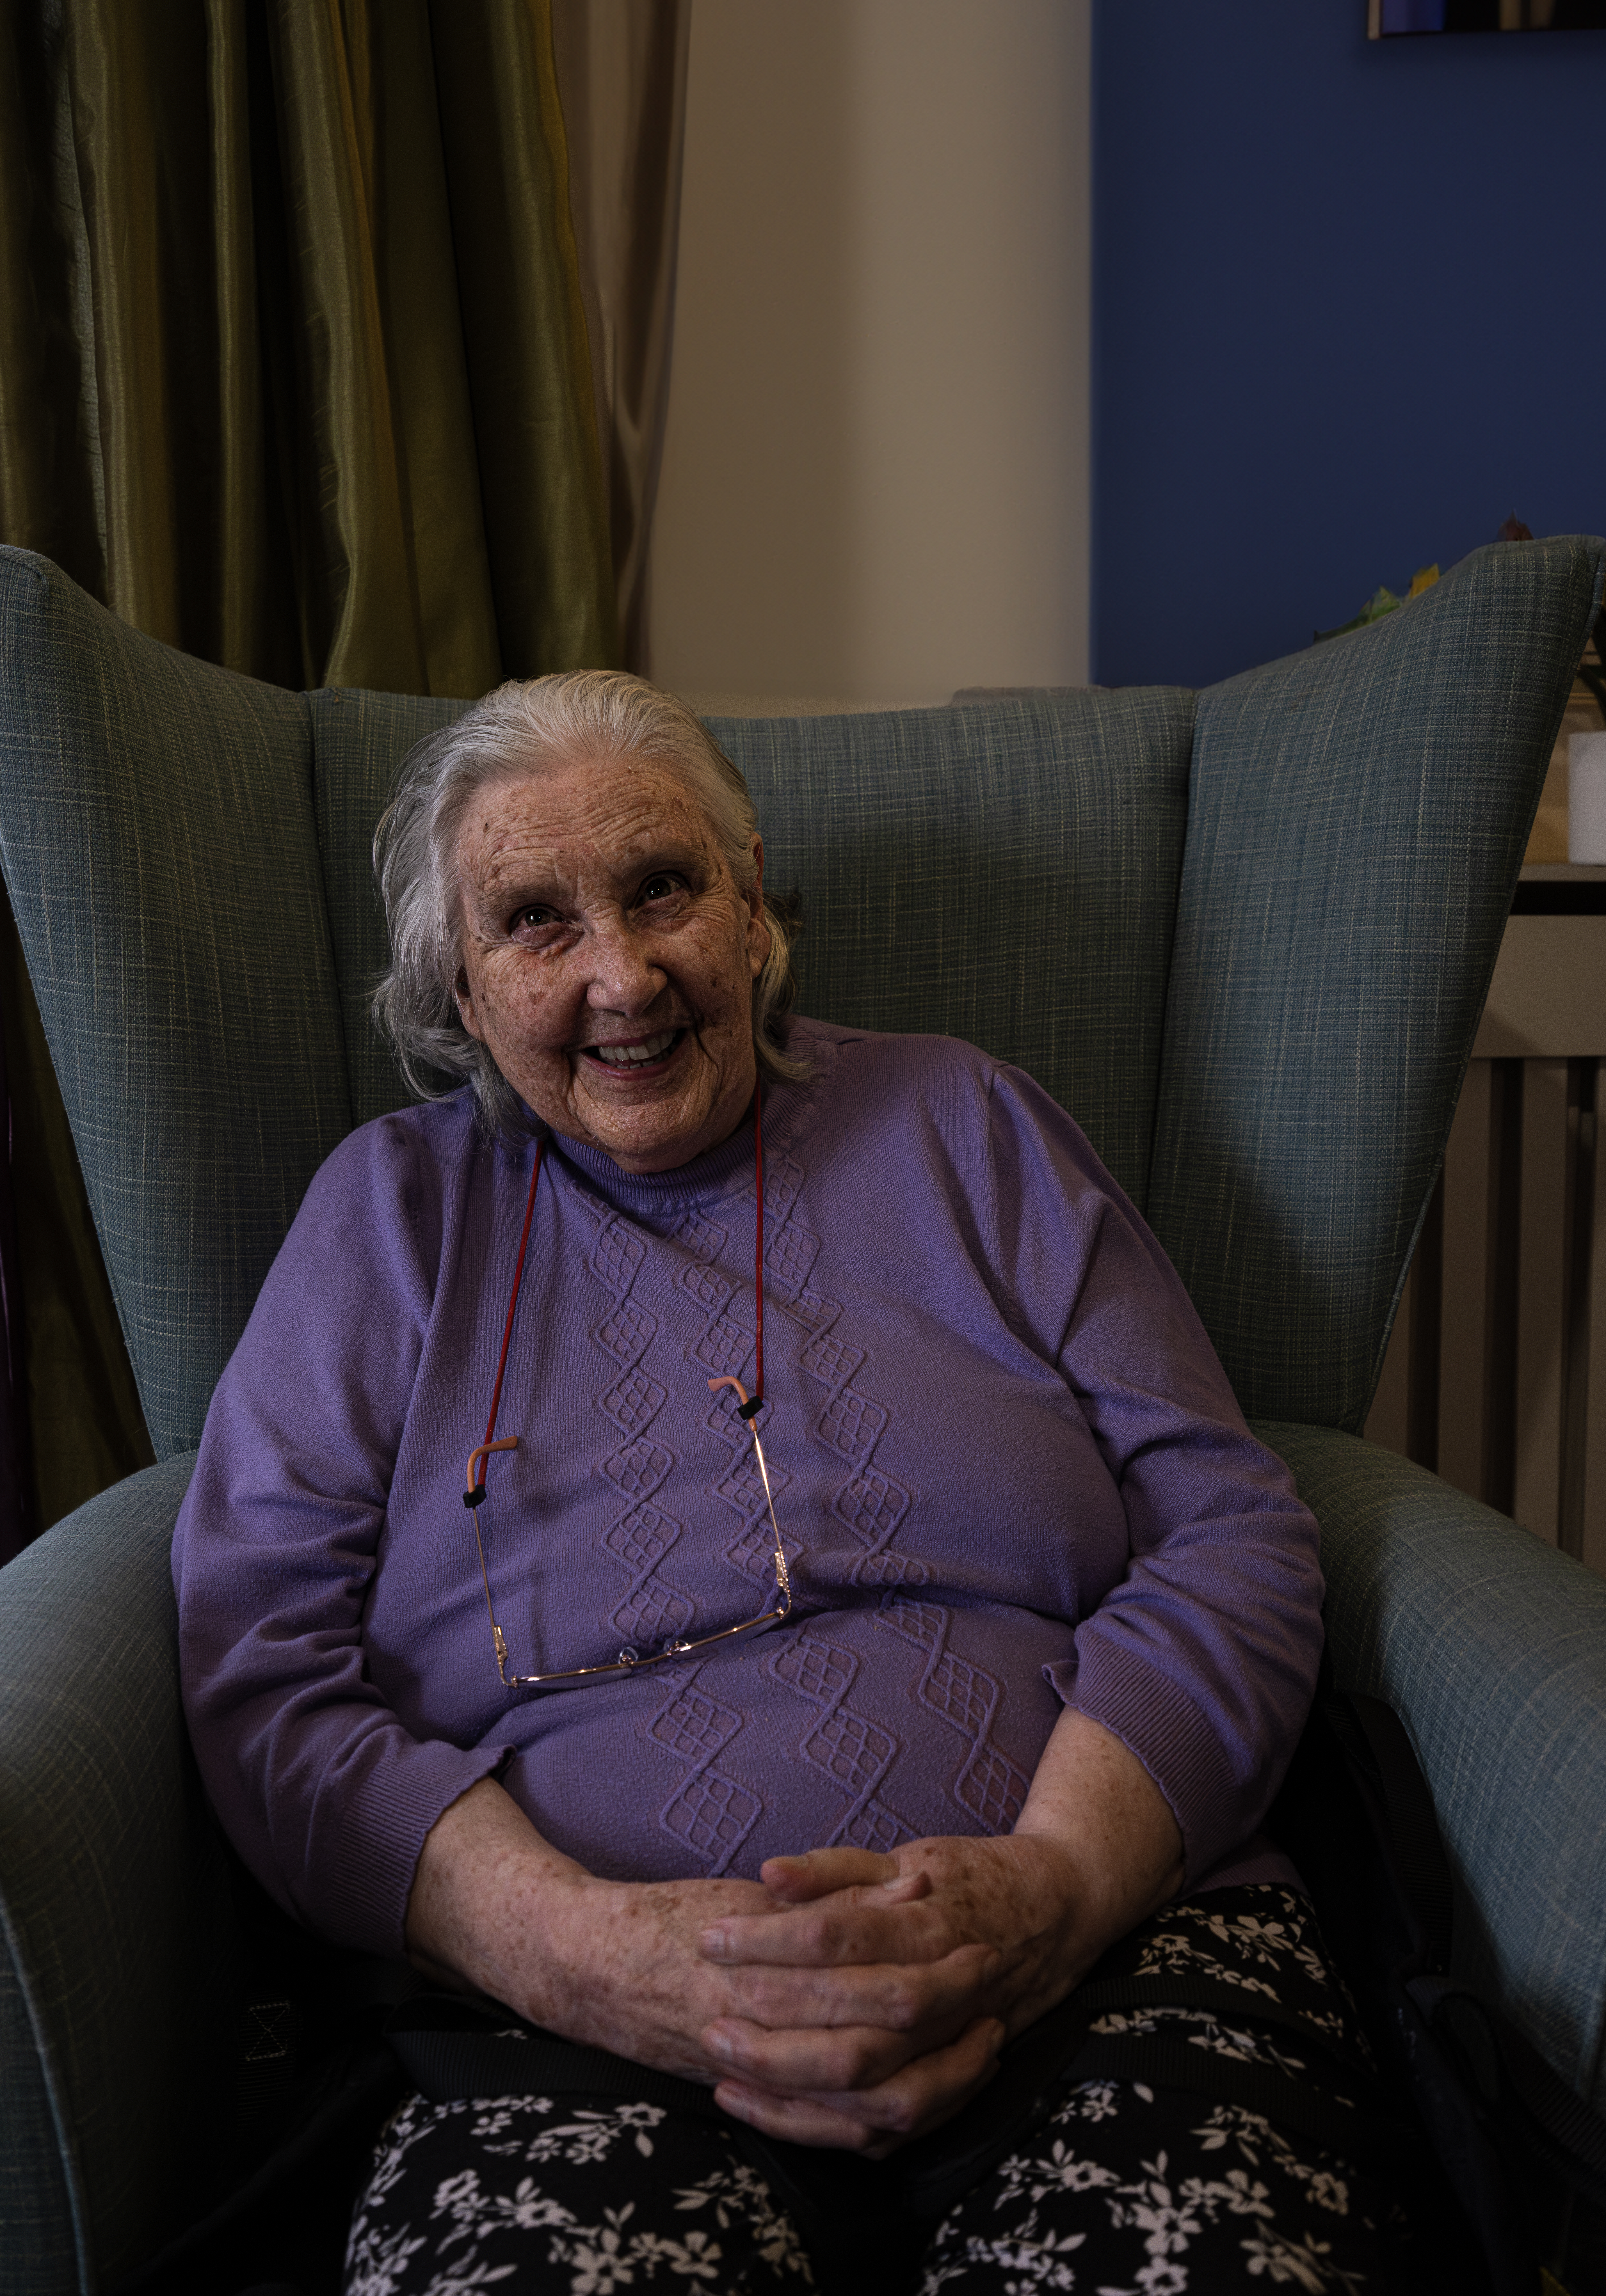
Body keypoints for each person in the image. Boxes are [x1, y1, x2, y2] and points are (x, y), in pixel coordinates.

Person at [173, 671, 1396, 2295]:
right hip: (565, 2035)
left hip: (1116, 1962)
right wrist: (584, 1955)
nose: (623, 977)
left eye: (664, 889)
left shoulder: (965, 1124)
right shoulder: (385, 1222)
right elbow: (259, 1668)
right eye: (535, 922)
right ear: (461, 989)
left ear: (753, 909)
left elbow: (1231, 1530)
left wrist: (1053, 1887)